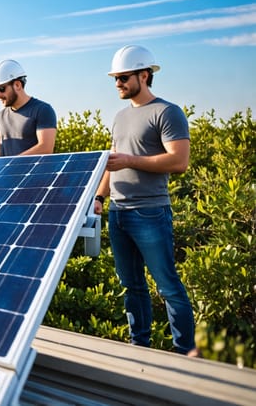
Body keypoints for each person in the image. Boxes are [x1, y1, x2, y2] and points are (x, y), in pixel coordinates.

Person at [93, 44, 197, 356]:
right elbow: (114, 163)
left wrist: (129, 160)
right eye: (115, 78)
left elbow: (179, 162)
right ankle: (140, 349)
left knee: (168, 287)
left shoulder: (167, 112)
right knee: (131, 286)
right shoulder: (120, 117)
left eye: (123, 77)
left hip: (150, 213)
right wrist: (99, 196)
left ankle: (185, 354)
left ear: (144, 75)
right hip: (119, 212)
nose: (118, 83)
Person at [0, 59, 57, 157]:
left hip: (34, 172)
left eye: (2, 89)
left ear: (17, 85)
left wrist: (13, 163)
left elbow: (45, 148)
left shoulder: (43, 110)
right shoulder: (1, 116)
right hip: (8, 173)